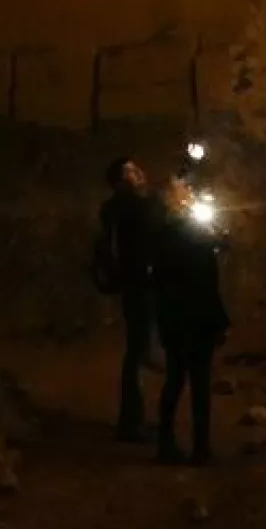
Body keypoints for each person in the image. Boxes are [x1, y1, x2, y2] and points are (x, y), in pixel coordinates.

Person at [151, 179, 230, 466]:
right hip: (193, 316)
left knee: (179, 379)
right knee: (194, 381)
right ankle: (196, 446)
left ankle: (171, 442)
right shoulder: (184, 235)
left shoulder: (168, 235)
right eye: (180, 189)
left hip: (176, 316)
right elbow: (204, 279)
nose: (187, 192)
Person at [96, 157, 163, 442]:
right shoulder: (128, 206)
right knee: (138, 351)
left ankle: (132, 418)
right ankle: (130, 422)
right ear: (120, 181)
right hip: (139, 283)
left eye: (138, 168)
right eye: (131, 172)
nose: (139, 174)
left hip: (140, 283)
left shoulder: (121, 207)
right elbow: (154, 217)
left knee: (139, 347)